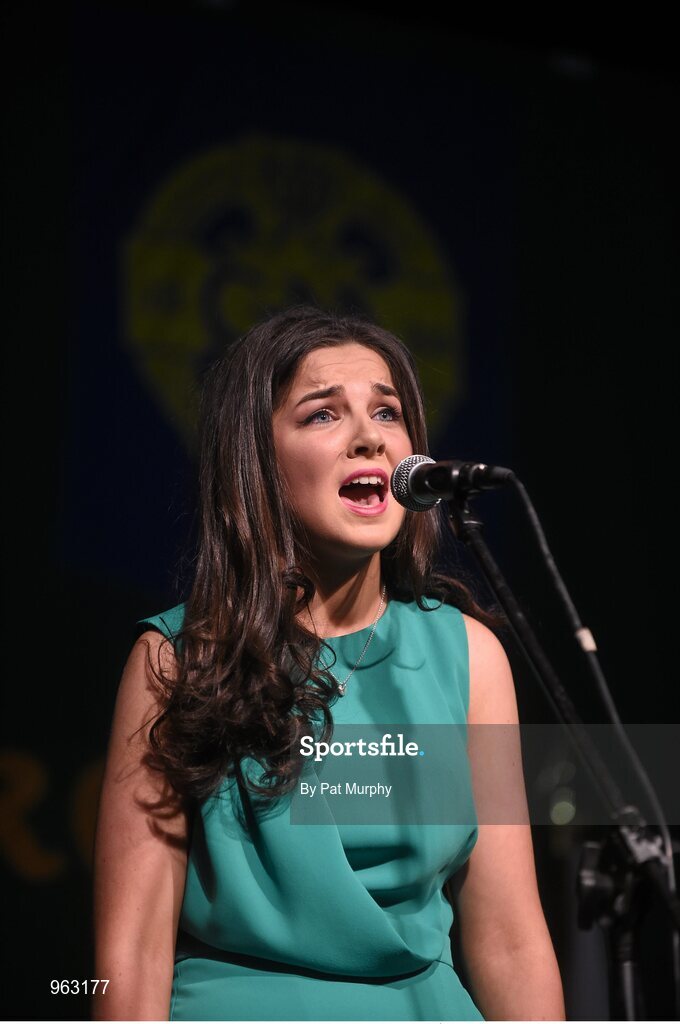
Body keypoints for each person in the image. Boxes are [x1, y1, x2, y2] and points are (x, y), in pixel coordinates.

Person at [92, 305, 566, 1021]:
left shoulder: (470, 656)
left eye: (389, 412)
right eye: (322, 415)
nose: (370, 437)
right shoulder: (176, 661)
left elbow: (509, 941)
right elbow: (131, 955)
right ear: (258, 461)